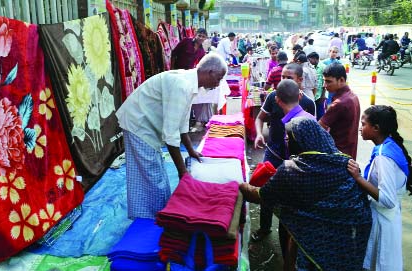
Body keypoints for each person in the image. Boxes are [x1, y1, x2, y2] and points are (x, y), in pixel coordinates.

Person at [242, 117, 372, 270]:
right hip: (351, 232)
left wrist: (239, 185)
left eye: (288, 138)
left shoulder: (292, 170)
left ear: (299, 142)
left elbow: (261, 196)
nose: (286, 141)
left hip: (320, 233)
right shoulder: (345, 161)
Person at [116, 53, 227, 219]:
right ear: (209, 72)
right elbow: (171, 134)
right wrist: (182, 171)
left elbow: (182, 123)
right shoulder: (182, 85)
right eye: (218, 78)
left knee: (152, 174)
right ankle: (150, 219)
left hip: (145, 122)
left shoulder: (189, 83)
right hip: (138, 123)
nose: (217, 84)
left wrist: (190, 150)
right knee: (152, 176)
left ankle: (150, 214)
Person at [253, 63, 315, 242]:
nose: (284, 81)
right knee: (265, 191)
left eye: (289, 78)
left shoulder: (308, 104)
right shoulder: (273, 96)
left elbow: (312, 131)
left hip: (295, 159)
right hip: (273, 153)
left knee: (289, 197)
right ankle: (264, 228)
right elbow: (260, 118)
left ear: (300, 81)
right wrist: (258, 134)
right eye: (282, 77)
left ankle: (288, 234)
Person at [347, 105, 411, 271]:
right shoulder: (388, 145)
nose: (360, 128)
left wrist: (358, 178)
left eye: (363, 124)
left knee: (380, 264)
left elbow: (387, 200)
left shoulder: (383, 157)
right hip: (386, 218)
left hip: (383, 222)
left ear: (376, 128)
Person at [319, 63, 360, 159]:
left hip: (338, 154)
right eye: (324, 81)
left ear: (341, 80)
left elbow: (319, 127)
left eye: (328, 81)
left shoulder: (339, 103)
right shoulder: (353, 96)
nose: (325, 85)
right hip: (350, 151)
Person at [307, 52, 326, 120]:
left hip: (319, 95)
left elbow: (324, 82)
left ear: (315, 59)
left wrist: (323, 95)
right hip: (312, 94)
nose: (309, 62)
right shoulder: (310, 67)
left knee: (320, 113)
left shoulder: (323, 67)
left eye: (310, 60)